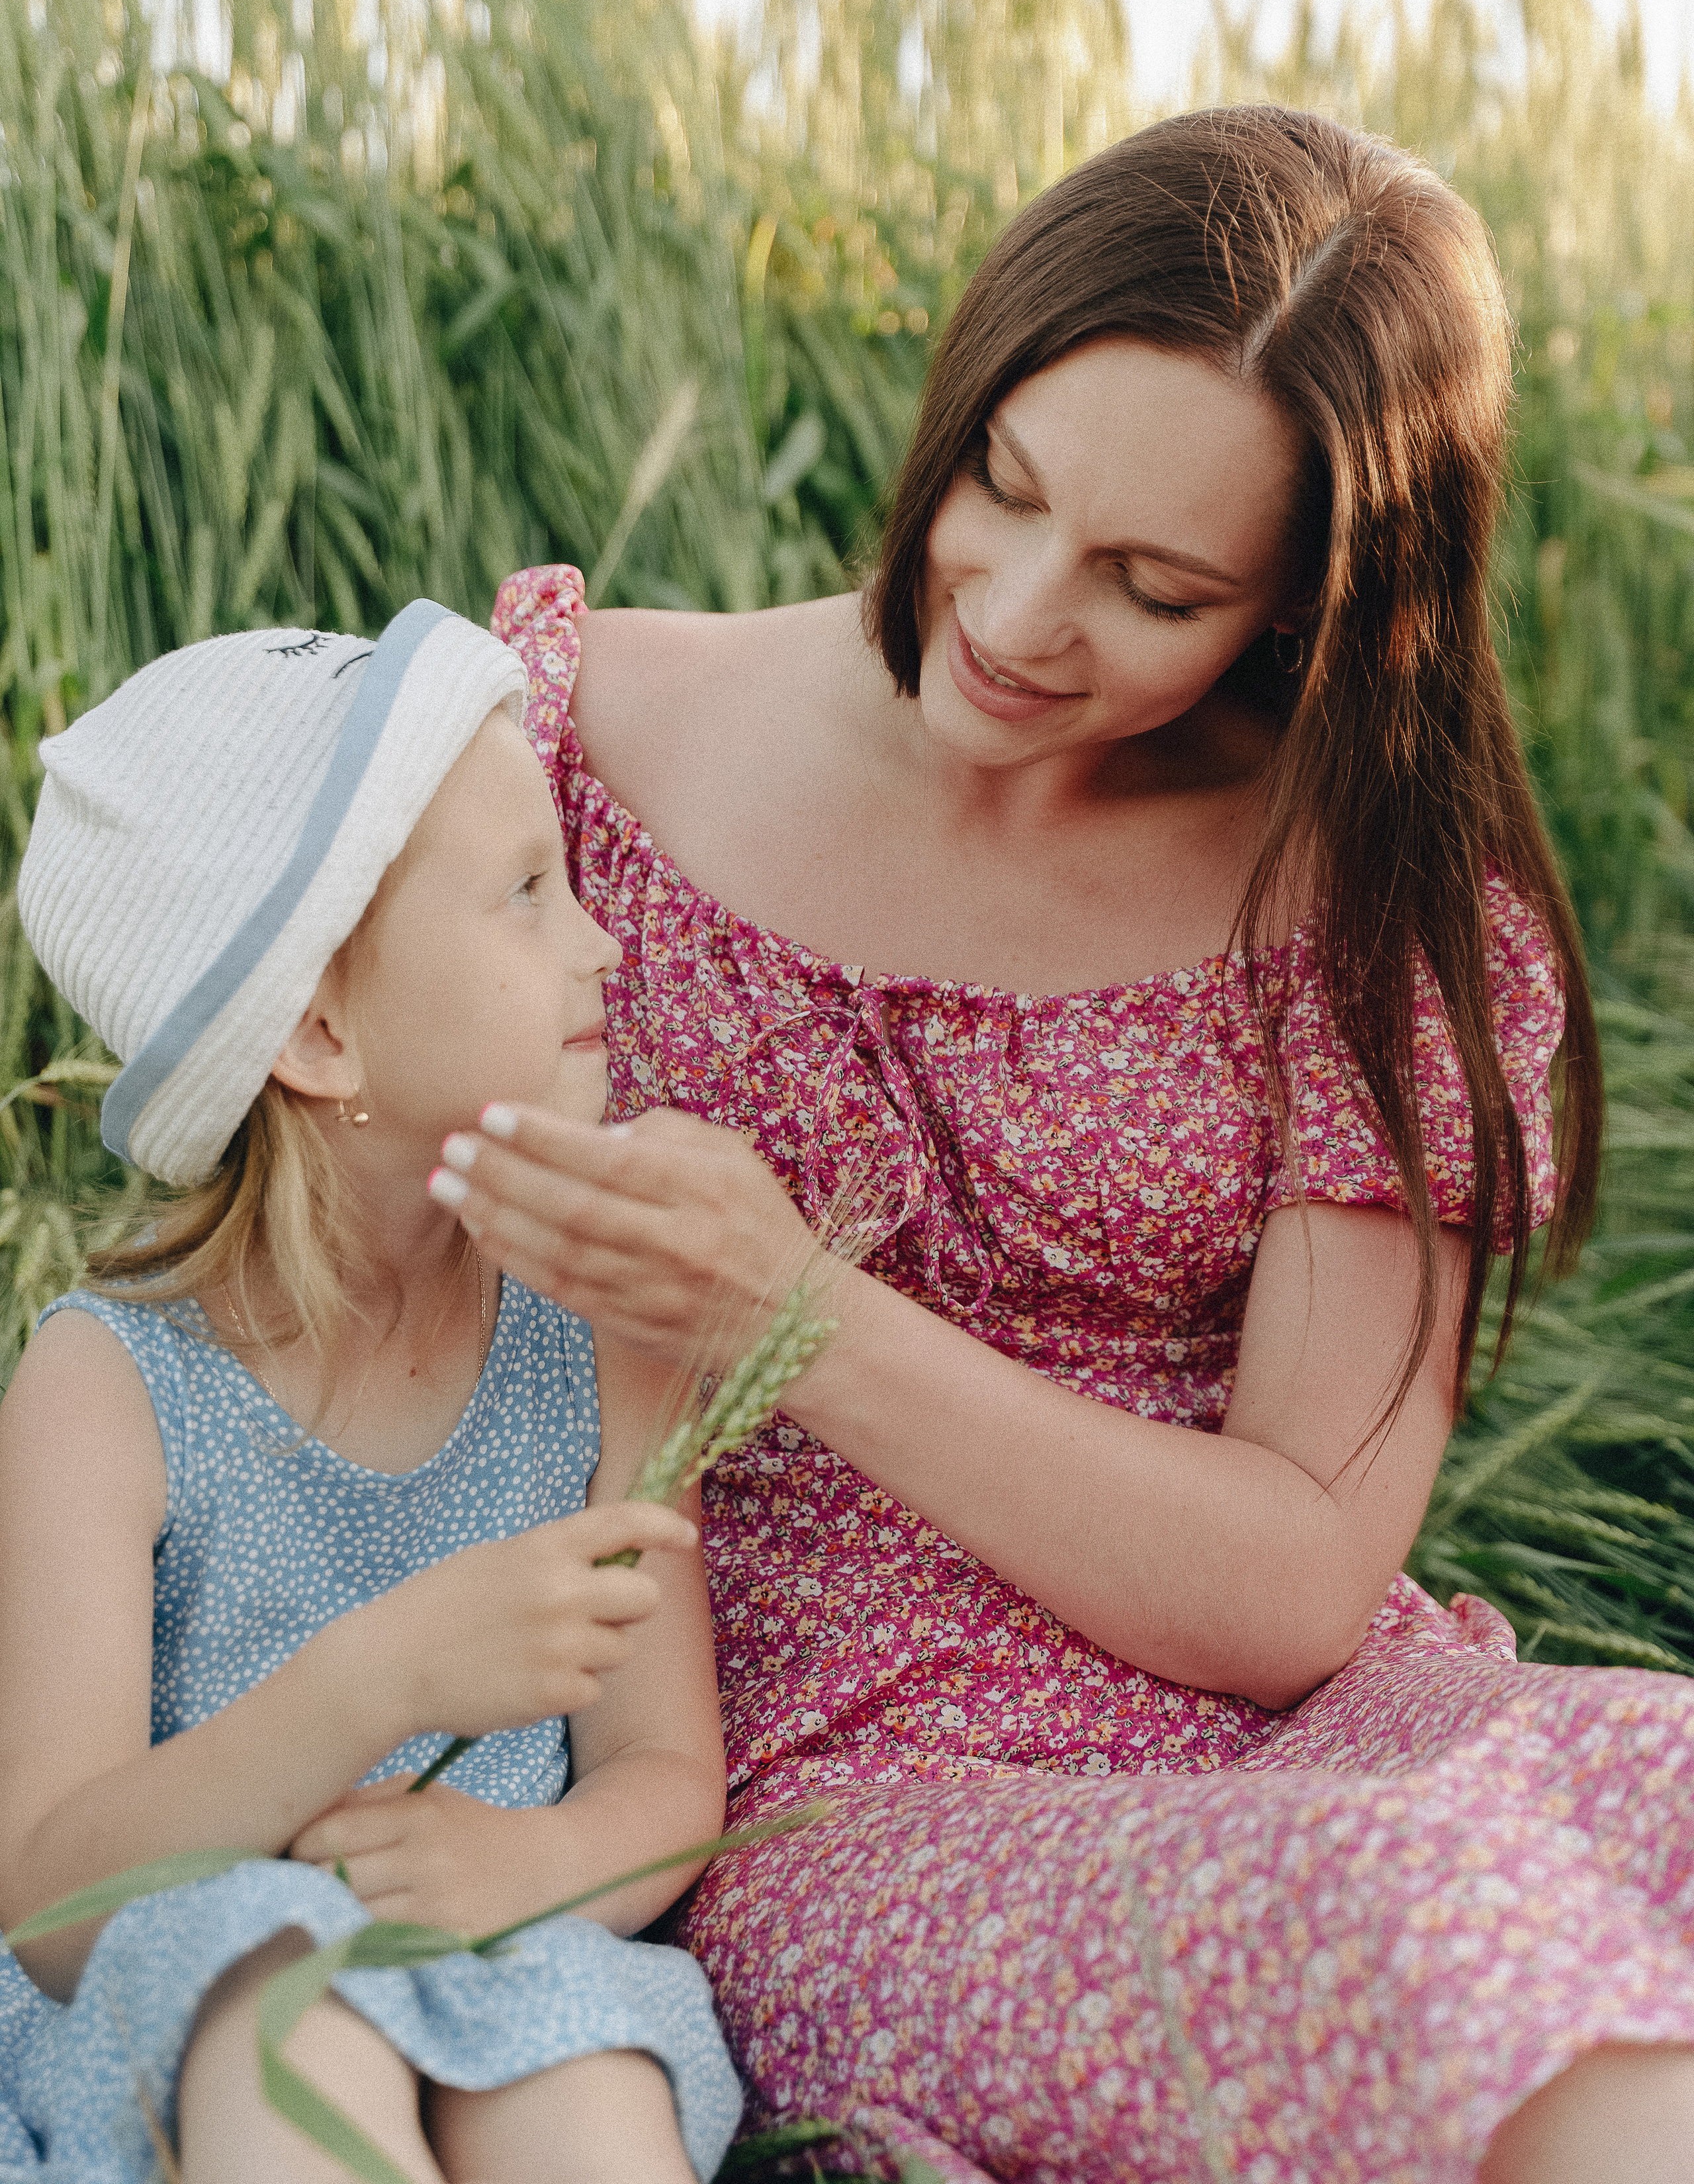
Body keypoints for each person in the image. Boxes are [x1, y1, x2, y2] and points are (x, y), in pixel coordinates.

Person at [431, 107, 1694, 2183]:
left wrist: (797, 1306)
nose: (1016, 614)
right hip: (855, 1788)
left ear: (1304, 607)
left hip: (1309, 1715)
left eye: (1156, 584)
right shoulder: (562, 730)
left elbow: (1298, 1577)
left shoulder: (1361, 897)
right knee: (1409, 1945)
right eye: (1005, 486)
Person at [0, 602, 742, 2184]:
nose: (598, 942)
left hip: (506, 1934)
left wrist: (531, 1864)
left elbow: (660, 1772)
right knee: (296, 2026)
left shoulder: (600, 1323)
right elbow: (52, 1898)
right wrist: (383, 1677)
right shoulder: (104, 1385)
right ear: (324, 1032)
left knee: (578, 2092)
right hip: (195, 1982)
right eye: (524, 897)